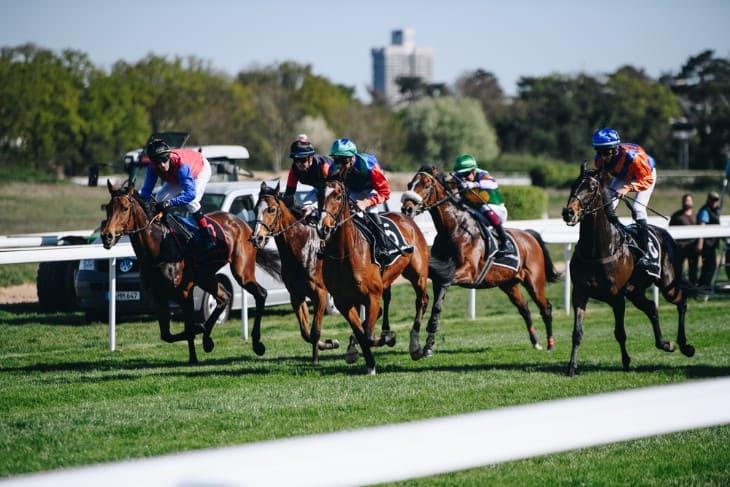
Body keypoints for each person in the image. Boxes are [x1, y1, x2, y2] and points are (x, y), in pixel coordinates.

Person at [328, 137, 413, 262]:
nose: (339, 165)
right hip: (353, 190)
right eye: (336, 160)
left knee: (371, 210)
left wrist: (366, 202)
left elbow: (385, 192)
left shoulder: (369, 166)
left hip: (372, 188)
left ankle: (385, 247)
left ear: (352, 157)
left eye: (343, 160)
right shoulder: (334, 169)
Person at [592, 128, 656, 272]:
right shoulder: (599, 160)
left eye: (606, 152)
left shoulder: (634, 157)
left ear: (615, 149)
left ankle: (645, 255)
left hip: (645, 175)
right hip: (623, 175)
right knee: (606, 206)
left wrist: (627, 188)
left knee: (638, 209)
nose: (602, 157)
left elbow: (646, 180)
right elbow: (604, 178)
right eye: (599, 151)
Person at [139, 139, 215, 247]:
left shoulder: (180, 163)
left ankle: (206, 234)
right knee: (160, 198)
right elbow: (146, 191)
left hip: (199, 169)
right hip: (177, 176)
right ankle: (167, 230)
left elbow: (190, 194)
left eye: (164, 160)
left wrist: (169, 203)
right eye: (158, 162)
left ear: (169, 156)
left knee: (192, 202)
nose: (162, 165)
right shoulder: (152, 167)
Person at [452, 154, 513, 257]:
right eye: (461, 174)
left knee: (484, 207)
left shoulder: (483, 175)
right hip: (476, 211)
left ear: (474, 170)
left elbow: (493, 184)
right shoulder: (460, 178)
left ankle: (505, 241)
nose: (464, 177)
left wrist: (475, 184)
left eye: (466, 174)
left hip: (496, 211)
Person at [282, 134, 332, 220]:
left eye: (302, 160)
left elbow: (333, 192)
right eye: (296, 160)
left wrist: (314, 206)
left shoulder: (324, 167)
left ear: (311, 158)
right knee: (305, 208)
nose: (299, 164)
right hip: (318, 189)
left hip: (334, 190)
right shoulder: (294, 170)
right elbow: (289, 194)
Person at [669, 193, 699, 285]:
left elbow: (700, 230)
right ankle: (679, 286)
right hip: (680, 247)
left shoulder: (696, 216)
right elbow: (670, 231)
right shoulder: (677, 216)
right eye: (685, 200)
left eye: (689, 200)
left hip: (693, 247)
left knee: (693, 268)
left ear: (692, 202)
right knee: (678, 269)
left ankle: (693, 287)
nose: (687, 202)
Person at [697, 191, 721, 288]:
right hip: (707, 244)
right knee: (709, 266)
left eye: (716, 200)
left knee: (710, 265)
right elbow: (702, 228)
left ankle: (705, 285)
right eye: (713, 200)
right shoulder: (705, 211)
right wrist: (700, 244)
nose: (715, 202)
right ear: (709, 200)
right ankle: (704, 285)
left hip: (712, 244)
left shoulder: (715, 210)